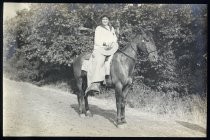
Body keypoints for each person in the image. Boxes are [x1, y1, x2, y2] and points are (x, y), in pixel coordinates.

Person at [85, 14, 119, 95]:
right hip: (101, 48)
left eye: (106, 19)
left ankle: (112, 78)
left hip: (111, 48)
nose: (105, 21)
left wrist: (113, 42)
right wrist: (105, 43)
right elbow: (97, 41)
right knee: (99, 61)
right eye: (103, 19)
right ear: (101, 20)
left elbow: (114, 38)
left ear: (108, 20)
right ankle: (95, 83)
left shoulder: (111, 28)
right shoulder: (98, 28)